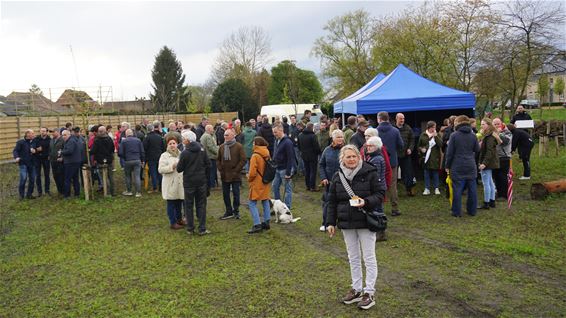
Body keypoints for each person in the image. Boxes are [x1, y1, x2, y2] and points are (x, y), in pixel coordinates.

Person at [326, 145, 385, 310]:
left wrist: (365, 202)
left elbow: (380, 194)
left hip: (366, 221)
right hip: (346, 223)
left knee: (369, 258)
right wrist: (330, 222)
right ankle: (357, 289)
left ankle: (369, 292)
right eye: (348, 157)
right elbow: (331, 202)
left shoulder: (370, 172)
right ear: (342, 159)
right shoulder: (338, 176)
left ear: (359, 157)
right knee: (353, 257)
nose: (351, 159)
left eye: (354, 156)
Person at [176, 130, 211, 236]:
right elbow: (208, 164)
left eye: (183, 139)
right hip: (201, 181)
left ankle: (190, 228)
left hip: (189, 182)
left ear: (188, 140)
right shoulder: (202, 150)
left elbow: (179, 169)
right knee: (201, 205)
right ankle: (202, 228)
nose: (182, 141)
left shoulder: (185, 153)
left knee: (189, 205)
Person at [445, 115, 480, 217]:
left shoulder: (454, 136)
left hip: (457, 165)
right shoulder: (473, 135)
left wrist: (447, 165)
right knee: (472, 190)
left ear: (458, 123)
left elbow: (450, 153)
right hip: (470, 165)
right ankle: (472, 211)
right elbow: (477, 149)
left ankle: (456, 212)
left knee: (457, 189)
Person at [377, 111, 404, 216]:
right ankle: (395, 208)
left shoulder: (375, 131)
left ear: (379, 119)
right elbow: (401, 145)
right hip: (392, 161)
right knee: (393, 185)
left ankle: (380, 208)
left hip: (379, 161)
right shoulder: (395, 131)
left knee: (379, 184)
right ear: (388, 118)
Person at [319, 129, 345, 232]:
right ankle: (326, 223)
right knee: (328, 203)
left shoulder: (346, 150)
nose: (340, 139)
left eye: (341, 137)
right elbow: (321, 164)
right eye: (338, 137)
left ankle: (342, 223)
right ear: (333, 139)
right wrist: (323, 177)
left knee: (343, 203)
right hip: (329, 182)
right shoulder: (327, 150)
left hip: (343, 182)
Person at [217, 129, 246, 220]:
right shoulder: (222, 146)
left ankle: (236, 211)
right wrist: (220, 169)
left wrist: (236, 170)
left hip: (235, 175)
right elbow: (218, 159)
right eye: (225, 135)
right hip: (224, 174)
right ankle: (228, 211)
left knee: (236, 194)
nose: (225, 136)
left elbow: (243, 160)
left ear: (233, 136)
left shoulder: (238, 146)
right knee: (225, 194)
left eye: (227, 135)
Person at [158, 137, 185, 230]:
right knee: (171, 203)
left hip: (180, 183)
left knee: (179, 202)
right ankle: (172, 222)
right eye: (170, 144)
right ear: (167, 145)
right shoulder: (164, 156)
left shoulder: (181, 154)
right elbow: (160, 169)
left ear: (177, 144)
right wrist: (171, 167)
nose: (172, 145)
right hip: (170, 183)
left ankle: (179, 219)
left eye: (174, 143)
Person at [247, 136, 272, 234]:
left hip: (257, 182)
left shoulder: (255, 155)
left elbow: (252, 173)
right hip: (265, 180)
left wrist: (248, 177)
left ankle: (257, 224)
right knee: (265, 200)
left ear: (257, 144)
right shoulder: (267, 152)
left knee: (252, 203)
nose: (252, 144)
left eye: (254, 143)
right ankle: (266, 222)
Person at [364, 136, 388, 242]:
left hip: (377, 188)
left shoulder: (377, 159)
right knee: (376, 210)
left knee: (378, 211)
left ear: (377, 147)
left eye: (371, 146)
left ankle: (380, 232)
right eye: (367, 145)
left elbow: (374, 175)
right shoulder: (373, 157)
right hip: (377, 187)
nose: (368, 148)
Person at [478, 118, 501, 210]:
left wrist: (484, 163)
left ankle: (486, 203)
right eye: (481, 124)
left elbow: (489, 151)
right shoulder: (489, 136)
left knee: (486, 183)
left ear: (488, 125)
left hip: (488, 162)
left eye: (483, 124)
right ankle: (492, 201)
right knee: (490, 182)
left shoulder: (490, 137)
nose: (481, 126)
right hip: (490, 162)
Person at [272, 124, 295, 210]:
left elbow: (290, 158)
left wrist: (288, 173)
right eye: (273, 132)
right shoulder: (276, 140)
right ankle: (278, 206)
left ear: (281, 131)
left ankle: (286, 208)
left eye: (275, 132)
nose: (274, 134)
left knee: (287, 189)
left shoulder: (287, 142)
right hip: (277, 168)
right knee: (275, 186)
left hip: (285, 169)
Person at [417, 121, 442, 196]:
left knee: (435, 173)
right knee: (426, 173)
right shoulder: (423, 135)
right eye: (433, 127)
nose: (434, 129)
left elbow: (440, 144)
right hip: (426, 158)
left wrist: (436, 136)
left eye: (435, 127)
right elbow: (418, 146)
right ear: (429, 127)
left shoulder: (437, 135)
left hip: (435, 157)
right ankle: (427, 188)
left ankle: (436, 188)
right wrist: (421, 149)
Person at [118, 129, 145, 197]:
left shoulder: (123, 141)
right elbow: (142, 151)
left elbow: (120, 153)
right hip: (137, 160)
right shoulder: (138, 140)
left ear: (126, 134)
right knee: (137, 176)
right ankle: (138, 192)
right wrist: (142, 160)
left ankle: (129, 191)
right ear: (132, 133)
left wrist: (125, 157)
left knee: (128, 176)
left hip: (128, 160)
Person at [90, 126, 116, 196]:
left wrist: (89, 151)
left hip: (101, 161)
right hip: (109, 160)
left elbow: (93, 151)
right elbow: (113, 149)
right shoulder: (109, 139)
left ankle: (106, 192)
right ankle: (112, 192)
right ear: (105, 131)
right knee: (111, 177)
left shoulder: (97, 140)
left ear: (99, 132)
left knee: (104, 177)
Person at [395, 113, 416, 196]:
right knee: (394, 174)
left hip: (405, 155)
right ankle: (393, 191)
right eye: (400, 119)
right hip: (395, 155)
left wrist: (410, 148)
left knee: (408, 173)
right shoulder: (393, 128)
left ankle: (409, 189)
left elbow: (412, 139)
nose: (402, 120)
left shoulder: (408, 128)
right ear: (396, 119)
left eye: (403, 118)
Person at [13, 129, 37, 200]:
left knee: (32, 179)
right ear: (28, 134)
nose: (34, 134)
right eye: (32, 133)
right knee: (23, 179)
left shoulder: (34, 141)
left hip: (32, 163)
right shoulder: (21, 142)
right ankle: (21, 195)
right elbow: (15, 150)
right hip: (23, 163)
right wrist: (16, 157)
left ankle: (29, 194)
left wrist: (35, 151)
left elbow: (36, 150)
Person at [492, 118, 512, 200]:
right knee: (496, 176)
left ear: (502, 124)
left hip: (504, 157)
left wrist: (498, 133)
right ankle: (498, 193)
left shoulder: (507, 132)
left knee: (502, 177)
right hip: (494, 158)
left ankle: (504, 195)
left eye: (498, 124)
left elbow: (506, 141)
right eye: (495, 124)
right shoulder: (492, 133)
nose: (496, 125)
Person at [298, 123, 321, 192]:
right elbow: (316, 147)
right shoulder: (313, 136)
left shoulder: (300, 135)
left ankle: (307, 186)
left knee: (307, 171)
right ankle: (312, 186)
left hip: (304, 155)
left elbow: (299, 146)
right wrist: (318, 152)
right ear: (312, 127)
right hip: (312, 156)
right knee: (313, 171)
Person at [143, 124, 165, 193]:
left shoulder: (147, 138)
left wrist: (145, 158)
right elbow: (163, 147)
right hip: (159, 156)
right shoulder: (159, 137)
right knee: (159, 172)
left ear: (147, 130)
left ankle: (155, 188)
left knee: (153, 173)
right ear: (153, 129)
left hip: (150, 157)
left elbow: (144, 148)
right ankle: (161, 187)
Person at [60, 129, 82, 199]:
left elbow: (69, 151)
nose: (63, 137)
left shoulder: (71, 141)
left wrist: (61, 152)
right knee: (75, 178)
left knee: (67, 179)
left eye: (65, 135)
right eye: (62, 135)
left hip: (71, 162)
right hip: (74, 161)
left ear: (69, 134)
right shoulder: (72, 140)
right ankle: (77, 193)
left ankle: (67, 195)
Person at [31, 127, 51, 196]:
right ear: (40, 132)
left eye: (44, 131)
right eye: (41, 131)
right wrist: (36, 150)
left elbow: (51, 149)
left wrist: (49, 155)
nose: (43, 132)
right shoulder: (36, 139)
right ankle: (40, 192)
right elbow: (32, 148)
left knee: (47, 175)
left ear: (47, 132)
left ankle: (47, 190)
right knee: (38, 175)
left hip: (46, 159)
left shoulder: (49, 139)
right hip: (37, 159)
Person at [200, 124, 219, 189]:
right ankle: (212, 185)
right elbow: (210, 147)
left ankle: (209, 184)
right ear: (208, 129)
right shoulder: (208, 136)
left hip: (206, 156)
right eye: (212, 129)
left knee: (208, 172)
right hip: (210, 157)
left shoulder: (203, 136)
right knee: (212, 172)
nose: (213, 130)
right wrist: (217, 153)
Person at [49, 128, 65, 195]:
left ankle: (64, 191)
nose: (52, 133)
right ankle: (59, 190)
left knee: (61, 176)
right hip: (53, 161)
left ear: (58, 132)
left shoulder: (63, 140)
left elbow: (65, 149)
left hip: (60, 161)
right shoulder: (52, 140)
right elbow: (50, 149)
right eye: (51, 132)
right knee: (55, 176)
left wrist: (62, 158)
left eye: (53, 132)